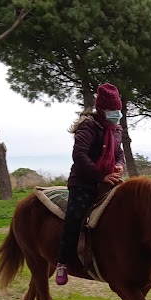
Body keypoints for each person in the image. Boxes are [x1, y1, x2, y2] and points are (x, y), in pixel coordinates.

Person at [55, 83, 126, 285]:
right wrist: (100, 176)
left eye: (119, 110)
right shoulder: (88, 127)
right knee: (75, 217)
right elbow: (79, 155)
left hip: (111, 180)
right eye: (114, 110)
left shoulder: (116, 130)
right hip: (83, 182)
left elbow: (120, 154)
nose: (117, 114)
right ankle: (62, 262)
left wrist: (119, 166)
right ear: (102, 110)